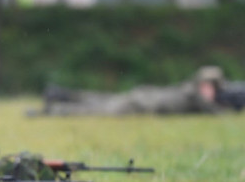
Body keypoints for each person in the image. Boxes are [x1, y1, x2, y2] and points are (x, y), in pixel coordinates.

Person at [35, 66, 241, 116]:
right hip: (140, 104)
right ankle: (53, 110)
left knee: (99, 100)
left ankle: (62, 95)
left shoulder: (188, 88)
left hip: (142, 97)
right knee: (97, 109)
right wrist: (227, 108)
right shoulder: (194, 93)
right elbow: (213, 111)